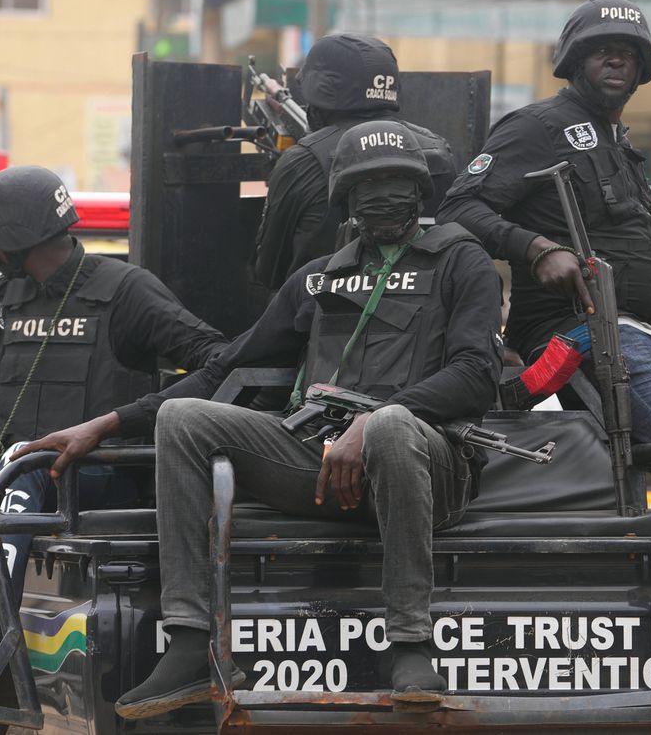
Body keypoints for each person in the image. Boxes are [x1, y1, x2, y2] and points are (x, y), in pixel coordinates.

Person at [45, 120, 502, 718]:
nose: (384, 195)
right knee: (184, 417)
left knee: (390, 429)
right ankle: (192, 645)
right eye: (368, 185)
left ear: (421, 191)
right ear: (345, 199)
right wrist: (106, 424)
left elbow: (477, 374)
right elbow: (224, 368)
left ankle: (409, 645)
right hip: (322, 462)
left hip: (426, 465)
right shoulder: (318, 276)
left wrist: (382, 418)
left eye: (397, 182)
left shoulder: (462, 261)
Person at [0, 166, 227, 708]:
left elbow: (218, 360)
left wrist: (112, 423)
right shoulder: (1, 298)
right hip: (18, 471)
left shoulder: (125, 291)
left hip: (99, 478)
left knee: (17, 473)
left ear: (10, 242)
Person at [436, 0, 651, 537]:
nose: (616, 61)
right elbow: (457, 208)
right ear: (574, 62)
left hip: (643, 337)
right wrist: (536, 248)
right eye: (601, 52)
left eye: (627, 53)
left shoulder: (619, 144)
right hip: (586, 331)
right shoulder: (538, 126)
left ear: (643, 70)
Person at [253, 33, 458, 289]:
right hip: (426, 318)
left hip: (323, 319)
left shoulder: (303, 160)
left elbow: (269, 271)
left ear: (321, 90)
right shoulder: (437, 147)